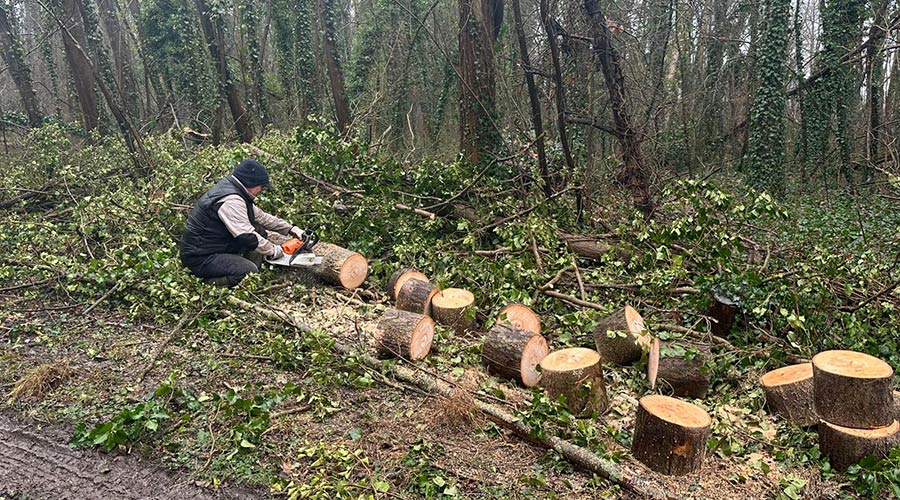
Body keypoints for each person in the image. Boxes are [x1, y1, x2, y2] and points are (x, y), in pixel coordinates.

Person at [180, 159, 307, 286]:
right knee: (247, 271)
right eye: (261, 187)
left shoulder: (236, 192)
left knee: (260, 231)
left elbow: (262, 217)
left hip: (215, 246)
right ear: (252, 183)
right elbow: (246, 235)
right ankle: (206, 283)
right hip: (201, 257)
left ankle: (249, 270)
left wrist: (291, 229)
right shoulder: (232, 200)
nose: (261, 190)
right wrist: (274, 250)